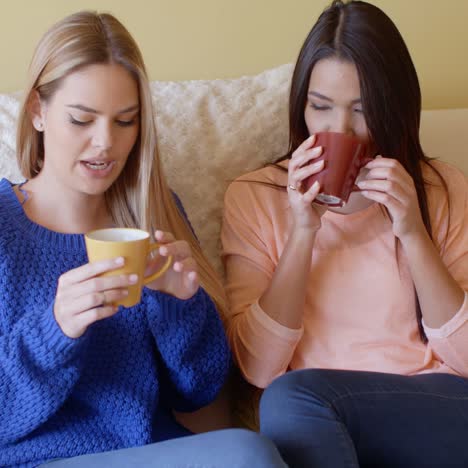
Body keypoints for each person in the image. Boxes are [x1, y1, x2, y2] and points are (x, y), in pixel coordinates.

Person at [0, 11, 286, 468]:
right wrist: (54, 330)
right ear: (37, 110)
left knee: (251, 452)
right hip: (37, 459)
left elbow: (200, 391)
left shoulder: (153, 214)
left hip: (153, 452)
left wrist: (180, 305)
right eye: (81, 119)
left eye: (124, 121)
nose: (104, 144)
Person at [221, 1, 468, 467]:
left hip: (437, 411)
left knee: (293, 401)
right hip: (319, 418)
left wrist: (413, 232)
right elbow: (257, 367)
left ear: (394, 108)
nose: (340, 129)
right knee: (289, 401)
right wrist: (303, 232)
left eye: (362, 110)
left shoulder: (443, 189)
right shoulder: (255, 196)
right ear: (302, 107)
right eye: (321, 107)